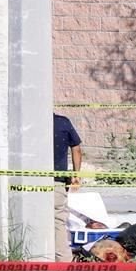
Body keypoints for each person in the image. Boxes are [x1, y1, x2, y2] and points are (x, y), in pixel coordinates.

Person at [53, 112, 82, 262]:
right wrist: (76, 174)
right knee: (58, 220)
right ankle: (63, 262)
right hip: (57, 181)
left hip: (31, 182)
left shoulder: (29, 124)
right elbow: (76, 148)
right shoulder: (62, 122)